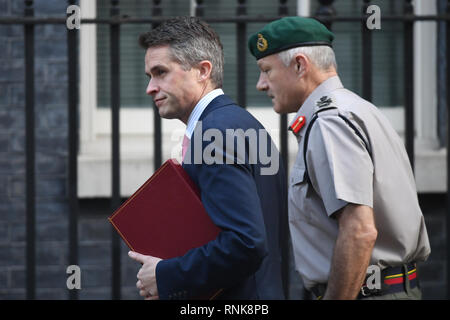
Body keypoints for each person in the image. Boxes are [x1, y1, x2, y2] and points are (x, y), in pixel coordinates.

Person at [248, 16, 431, 300]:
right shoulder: (358, 109)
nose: (261, 84)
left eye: (266, 70)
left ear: (299, 65)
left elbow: (359, 231)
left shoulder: (329, 123)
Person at [127, 16, 288, 300]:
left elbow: (245, 244)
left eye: (161, 72)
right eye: (149, 76)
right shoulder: (243, 122)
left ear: (203, 70)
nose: (150, 87)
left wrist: (165, 274)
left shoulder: (213, 133)